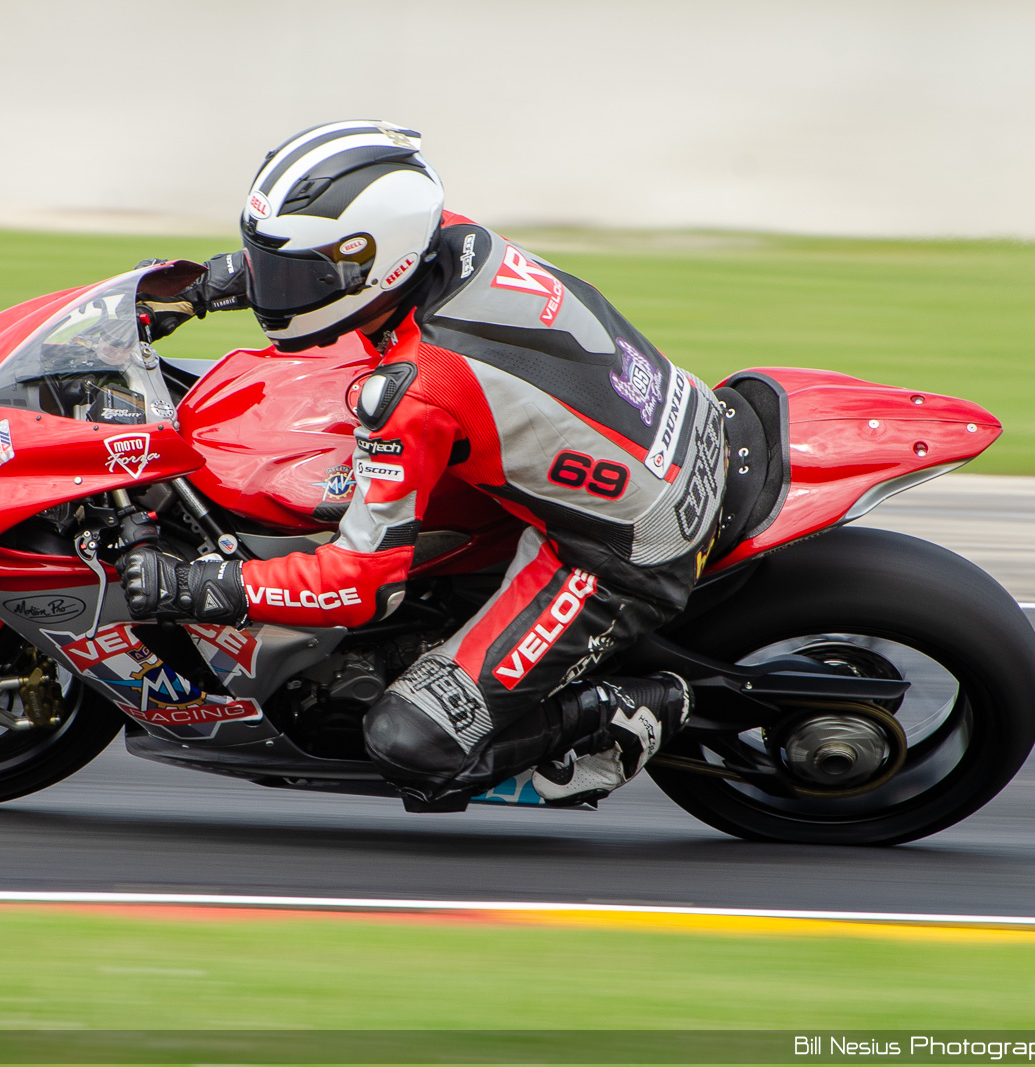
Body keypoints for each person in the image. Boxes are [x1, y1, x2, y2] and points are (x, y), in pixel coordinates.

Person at [123, 121, 726, 812]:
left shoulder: (416, 392)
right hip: (671, 425)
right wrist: (209, 286)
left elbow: (359, 583)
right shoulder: (450, 239)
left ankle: (617, 718)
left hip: (622, 548)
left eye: (294, 271)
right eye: (271, 263)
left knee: (412, 742)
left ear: (370, 266)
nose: (277, 287)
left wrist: (200, 585)